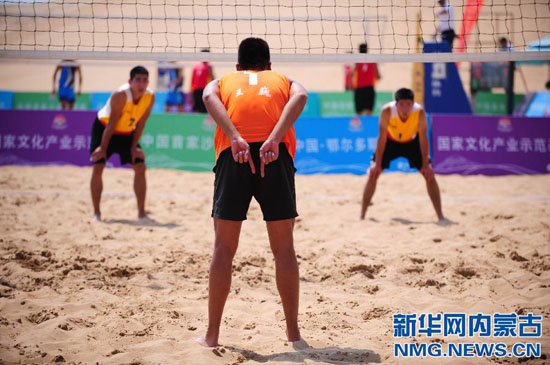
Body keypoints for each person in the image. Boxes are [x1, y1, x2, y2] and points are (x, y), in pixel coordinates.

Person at [196, 37, 308, 347]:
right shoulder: (282, 80)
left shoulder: (225, 80)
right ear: (269, 66)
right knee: (284, 249)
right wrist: (275, 137)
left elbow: (207, 95)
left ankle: (212, 335)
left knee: (223, 249)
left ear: (237, 66)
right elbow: (301, 96)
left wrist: (234, 136)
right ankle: (293, 333)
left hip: (235, 154)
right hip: (276, 154)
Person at [360, 88, 445, 222]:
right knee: (373, 173)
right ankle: (362, 216)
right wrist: (377, 164)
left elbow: (423, 138)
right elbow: (381, 138)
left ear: (413, 103)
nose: (405, 109)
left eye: (409, 104)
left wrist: (425, 164)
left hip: (412, 143)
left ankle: (440, 216)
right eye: (402, 104)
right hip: (390, 142)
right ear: (396, 103)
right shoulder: (387, 111)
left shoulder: (420, 113)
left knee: (429, 174)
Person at [89, 66, 155, 222]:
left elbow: (141, 124)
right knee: (98, 165)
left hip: (126, 132)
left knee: (140, 165)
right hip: (105, 129)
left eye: (144, 80)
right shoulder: (120, 95)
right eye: (138, 80)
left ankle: (141, 213)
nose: (141, 84)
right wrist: (103, 148)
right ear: (130, 82)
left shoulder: (150, 97)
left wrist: (134, 148)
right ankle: (97, 213)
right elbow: (112, 124)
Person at [353, 43, 380, 115]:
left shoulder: (357, 61)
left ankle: (360, 126)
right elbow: (378, 76)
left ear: (359, 50)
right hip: (369, 88)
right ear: (367, 50)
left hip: (359, 88)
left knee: (359, 113)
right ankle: (368, 126)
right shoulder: (373, 60)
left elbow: (353, 73)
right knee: (369, 112)